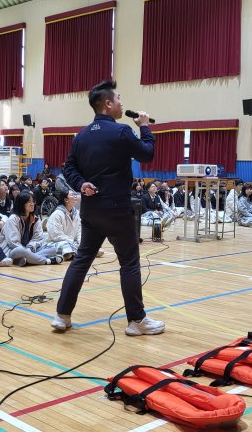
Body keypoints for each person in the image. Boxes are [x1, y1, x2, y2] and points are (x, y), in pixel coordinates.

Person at [53, 79, 165, 336]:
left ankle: (62, 316)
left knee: (81, 261)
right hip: (117, 209)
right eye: (119, 99)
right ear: (107, 104)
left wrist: (81, 184)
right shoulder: (122, 131)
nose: (122, 103)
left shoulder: (80, 136)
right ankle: (136, 321)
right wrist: (145, 128)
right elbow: (147, 154)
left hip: (91, 210)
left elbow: (68, 168)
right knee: (129, 263)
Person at [0, 191, 62, 266]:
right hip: (11, 250)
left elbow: (38, 238)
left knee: (53, 249)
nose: (32, 204)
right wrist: (27, 251)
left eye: (33, 201)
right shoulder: (13, 218)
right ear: (21, 204)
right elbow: (13, 242)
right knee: (21, 251)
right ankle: (46, 261)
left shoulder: (35, 219)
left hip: (30, 250)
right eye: (29, 202)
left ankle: (27, 260)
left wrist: (30, 248)